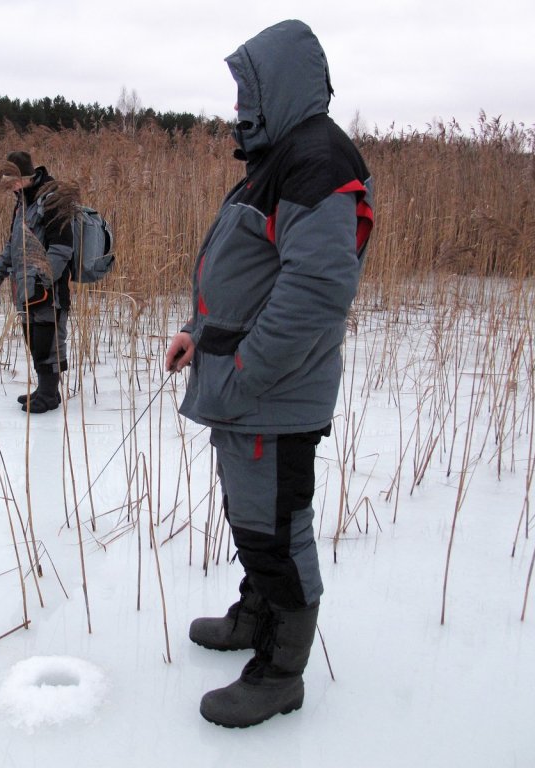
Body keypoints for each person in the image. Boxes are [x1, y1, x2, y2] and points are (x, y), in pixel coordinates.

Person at [164, 19, 374, 728]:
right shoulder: (280, 159)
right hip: (245, 391)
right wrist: (199, 335)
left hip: (272, 397)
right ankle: (257, 613)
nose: (237, 109)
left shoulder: (317, 160)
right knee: (251, 517)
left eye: (246, 91)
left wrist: (247, 373)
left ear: (277, 86)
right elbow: (246, 280)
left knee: (278, 529)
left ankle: (282, 669)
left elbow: (316, 291)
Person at [0, 151, 75, 413]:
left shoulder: (52, 200)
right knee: (33, 338)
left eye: (13, 180)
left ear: (27, 176)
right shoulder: (23, 203)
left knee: (49, 338)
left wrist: (44, 279)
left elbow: (62, 248)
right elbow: (13, 245)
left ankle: (49, 395)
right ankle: (44, 389)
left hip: (49, 289)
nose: (11, 186)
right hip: (24, 286)